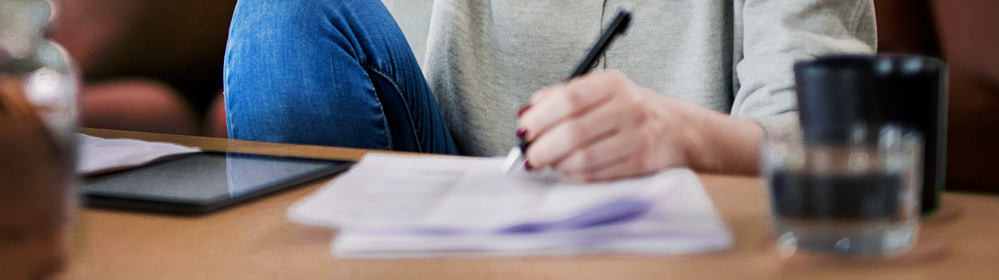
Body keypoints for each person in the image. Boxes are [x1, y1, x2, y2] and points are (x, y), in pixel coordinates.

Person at [223, 0, 875, 182]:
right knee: (281, 16)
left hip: (685, 232)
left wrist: (684, 136)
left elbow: (833, 150)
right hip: (444, 218)